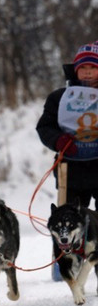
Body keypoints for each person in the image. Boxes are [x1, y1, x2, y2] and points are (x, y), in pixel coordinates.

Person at [36, 40, 98, 209]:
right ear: (75, 70)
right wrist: (59, 140)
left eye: (93, 68)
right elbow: (44, 127)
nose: (87, 73)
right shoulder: (59, 98)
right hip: (71, 171)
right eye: (83, 68)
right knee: (70, 225)